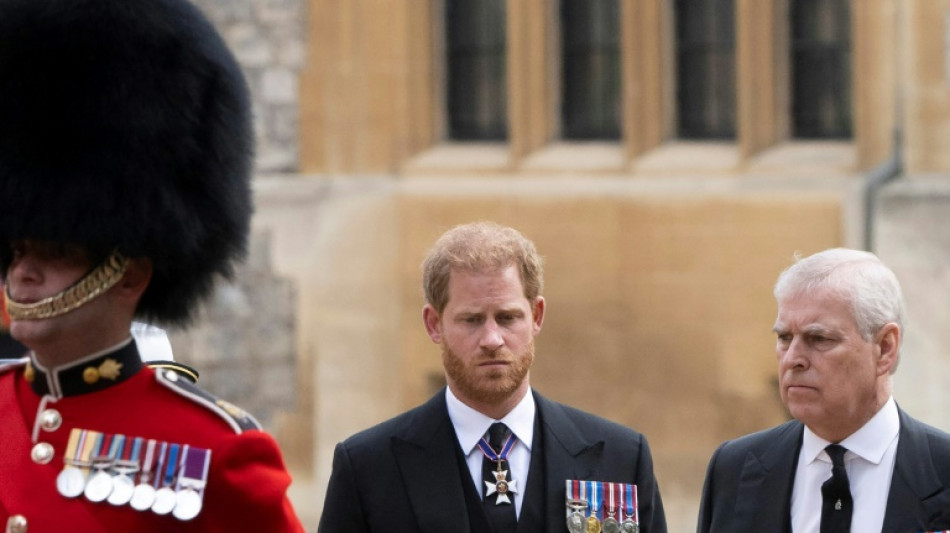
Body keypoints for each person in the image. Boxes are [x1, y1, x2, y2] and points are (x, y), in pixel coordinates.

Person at [0, 0, 305, 531]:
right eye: (18, 249)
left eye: (57, 252)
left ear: (130, 274)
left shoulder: (215, 451)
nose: (23, 273)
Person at [318, 221, 667, 533]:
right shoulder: (368, 468)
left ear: (536, 315)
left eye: (507, 317)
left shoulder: (620, 457)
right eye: (471, 320)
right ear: (434, 324)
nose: (492, 339)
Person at [697, 248, 950, 532]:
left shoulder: (942, 468)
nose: (793, 358)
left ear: (885, 348)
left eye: (819, 338)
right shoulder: (734, 468)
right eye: (784, 337)